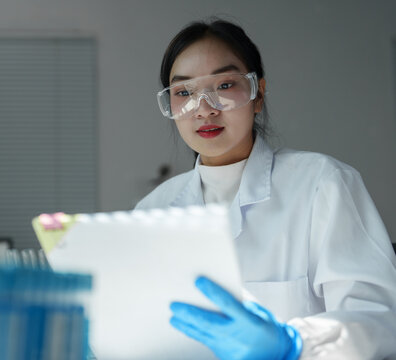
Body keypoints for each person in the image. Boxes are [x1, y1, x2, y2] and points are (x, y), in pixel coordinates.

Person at [135, 19, 396, 360]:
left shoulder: (322, 183)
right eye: (184, 92)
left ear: (258, 94)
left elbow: (381, 322)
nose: (204, 108)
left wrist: (294, 343)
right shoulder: (152, 211)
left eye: (225, 85)